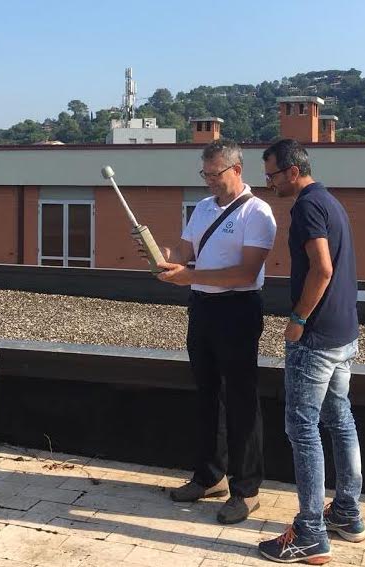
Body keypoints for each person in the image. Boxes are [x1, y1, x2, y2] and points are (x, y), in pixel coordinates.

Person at [147, 139, 277, 525]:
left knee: (240, 398)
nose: (209, 181)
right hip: (202, 306)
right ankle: (209, 476)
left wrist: (189, 276)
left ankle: (247, 489)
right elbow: (184, 254)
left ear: (236, 170)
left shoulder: (258, 212)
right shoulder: (203, 208)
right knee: (207, 394)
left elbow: (245, 273)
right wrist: (161, 257)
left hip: (238, 308)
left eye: (215, 174)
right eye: (204, 174)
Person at [257, 139, 365, 564]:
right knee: (340, 420)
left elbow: (322, 268)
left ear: (292, 171)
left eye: (272, 175)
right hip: (344, 333)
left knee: (302, 429)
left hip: (317, 338)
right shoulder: (331, 202)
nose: (269, 183)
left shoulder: (306, 207)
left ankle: (310, 533)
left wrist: (298, 318)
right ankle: (347, 513)